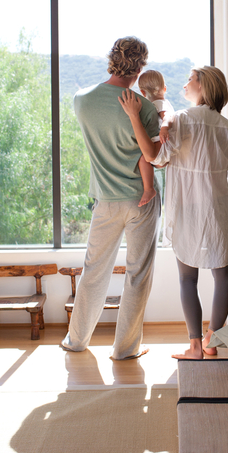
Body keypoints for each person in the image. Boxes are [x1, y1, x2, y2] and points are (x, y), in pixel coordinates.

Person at [119, 66, 228, 359]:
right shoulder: (226, 127)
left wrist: (136, 118)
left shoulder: (182, 120)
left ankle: (195, 346)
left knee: (188, 279)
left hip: (187, 208)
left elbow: (155, 158)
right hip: (219, 207)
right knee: (223, 276)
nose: (185, 83)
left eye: (190, 79)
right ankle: (212, 340)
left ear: (204, 86)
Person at [61, 36, 162, 361]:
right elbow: (151, 156)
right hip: (141, 201)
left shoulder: (81, 100)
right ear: (140, 66)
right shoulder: (143, 107)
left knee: (94, 271)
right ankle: (125, 349)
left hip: (105, 200)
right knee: (137, 273)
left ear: (111, 59)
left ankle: (76, 341)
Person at [135, 70, 175, 206]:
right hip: (165, 148)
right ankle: (150, 188)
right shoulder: (164, 102)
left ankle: (149, 188)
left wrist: (164, 128)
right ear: (164, 88)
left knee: (142, 158)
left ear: (142, 92)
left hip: (160, 144)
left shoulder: (159, 104)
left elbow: (168, 117)